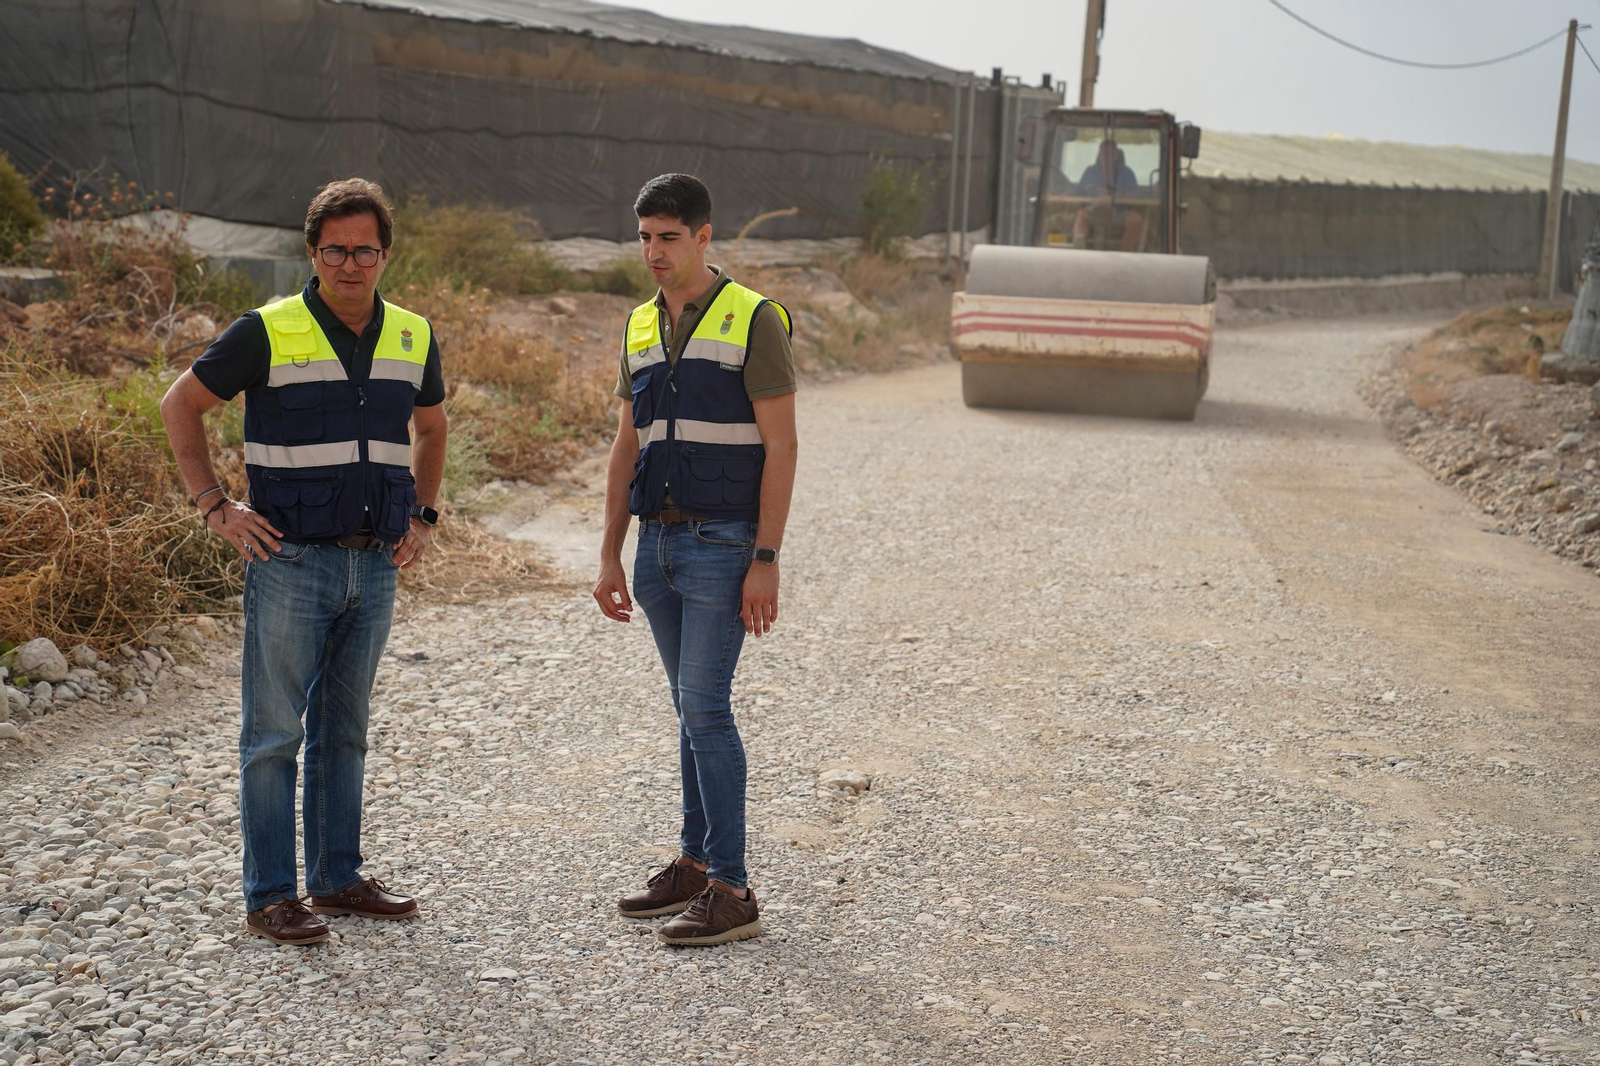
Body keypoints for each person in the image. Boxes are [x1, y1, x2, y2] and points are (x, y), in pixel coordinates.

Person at [159, 178, 447, 946]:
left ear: (386, 254)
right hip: (288, 560)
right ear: (311, 253)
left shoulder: (413, 335)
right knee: (274, 735)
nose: (350, 265)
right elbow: (178, 404)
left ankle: (337, 878)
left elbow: (433, 425)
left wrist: (423, 514)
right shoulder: (267, 329)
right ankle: (270, 896)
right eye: (334, 250)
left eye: (365, 250)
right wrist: (215, 507)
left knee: (344, 731)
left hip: (375, 564)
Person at [593, 173, 799, 947]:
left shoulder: (755, 319)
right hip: (657, 549)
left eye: (668, 236)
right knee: (687, 706)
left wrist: (766, 558)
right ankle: (692, 860)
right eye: (644, 235)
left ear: (705, 236)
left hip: (722, 546)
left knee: (706, 707)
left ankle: (733, 887)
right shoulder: (639, 325)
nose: (652, 250)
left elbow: (782, 444)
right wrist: (610, 555)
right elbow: (625, 447)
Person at [1072, 140, 1146, 251]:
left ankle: (1125, 253)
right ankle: (1079, 246)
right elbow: (1077, 193)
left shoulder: (1127, 173)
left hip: (1119, 213)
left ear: (1116, 155)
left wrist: (1116, 194)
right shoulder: (1090, 171)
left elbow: (1134, 196)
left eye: (1110, 153)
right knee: (1081, 215)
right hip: (1092, 211)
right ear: (1099, 154)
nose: (1106, 157)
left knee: (1136, 220)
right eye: (1103, 153)